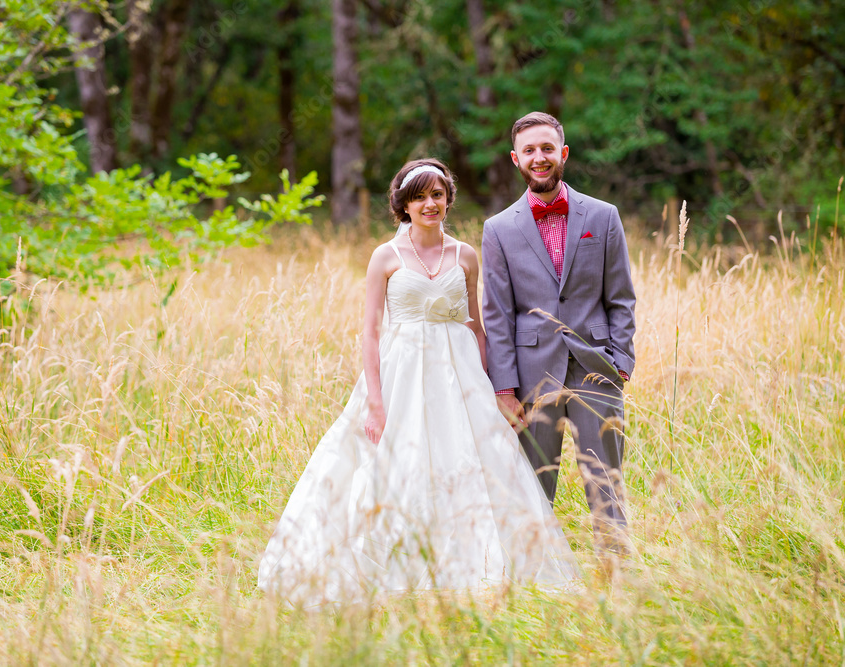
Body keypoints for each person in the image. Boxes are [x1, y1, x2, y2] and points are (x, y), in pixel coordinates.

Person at [258, 158, 579, 608]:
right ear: (403, 205)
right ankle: (387, 562)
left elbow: (476, 324)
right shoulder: (384, 257)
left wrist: (496, 391)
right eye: (419, 197)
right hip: (401, 371)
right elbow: (370, 331)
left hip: (458, 373)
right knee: (394, 461)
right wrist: (375, 402)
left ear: (448, 199)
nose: (430, 204)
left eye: (437, 195)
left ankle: (475, 564)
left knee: (469, 459)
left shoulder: (465, 254)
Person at [481, 112, 637, 555]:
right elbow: (497, 316)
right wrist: (505, 389)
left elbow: (621, 297)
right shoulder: (499, 229)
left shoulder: (603, 217)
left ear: (563, 153)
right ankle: (533, 584)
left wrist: (620, 362)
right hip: (531, 378)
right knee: (532, 490)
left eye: (547, 148)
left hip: (597, 372)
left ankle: (615, 583)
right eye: (529, 150)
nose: (539, 157)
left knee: (607, 486)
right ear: (516, 159)